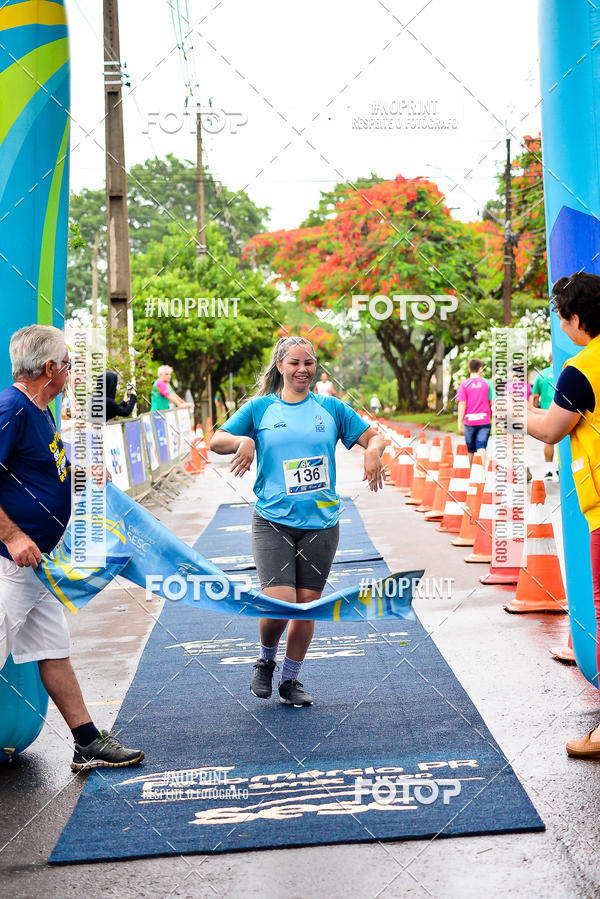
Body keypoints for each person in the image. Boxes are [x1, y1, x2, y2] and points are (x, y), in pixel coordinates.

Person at [210, 336, 385, 707]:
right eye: (294, 363)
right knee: (280, 603)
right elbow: (216, 440)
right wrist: (244, 442)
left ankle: (290, 680)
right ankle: (265, 660)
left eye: (309, 363)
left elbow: (375, 437)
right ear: (280, 366)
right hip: (273, 520)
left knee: (306, 606)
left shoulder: (331, 408)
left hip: (321, 523)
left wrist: (373, 451)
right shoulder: (260, 408)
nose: (303, 370)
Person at [0, 325, 144, 771]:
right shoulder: (11, 409)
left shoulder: (40, 409)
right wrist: (11, 536)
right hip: (10, 563)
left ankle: (86, 742)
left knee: (53, 650)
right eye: (68, 363)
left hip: (37, 564)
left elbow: (43, 469)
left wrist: (83, 475)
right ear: (50, 368)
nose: (72, 370)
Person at [527, 272, 600, 759]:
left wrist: (514, 415)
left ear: (575, 318)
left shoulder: (582, 368)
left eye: (561, 317)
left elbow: (552, 430)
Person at [457, 358, 493, 464]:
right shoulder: (487, 383)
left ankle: (470, 471)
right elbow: (493, 403)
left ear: (469, 369)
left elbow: (462, 404)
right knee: (482, 447)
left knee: (470, 450)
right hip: (484, 421)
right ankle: (482, 471)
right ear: (480, 369)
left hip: (469, 422)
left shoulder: (464, 384)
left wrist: (459, 422)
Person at [531, 364, 557, 478]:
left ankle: (549, 469)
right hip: (564, 411)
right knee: (564, 441)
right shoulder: (563, 371)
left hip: (546, 411)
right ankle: (560, 467)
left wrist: (534, 411)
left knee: (549, 441)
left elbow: (535, 396)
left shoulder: (542, 374)